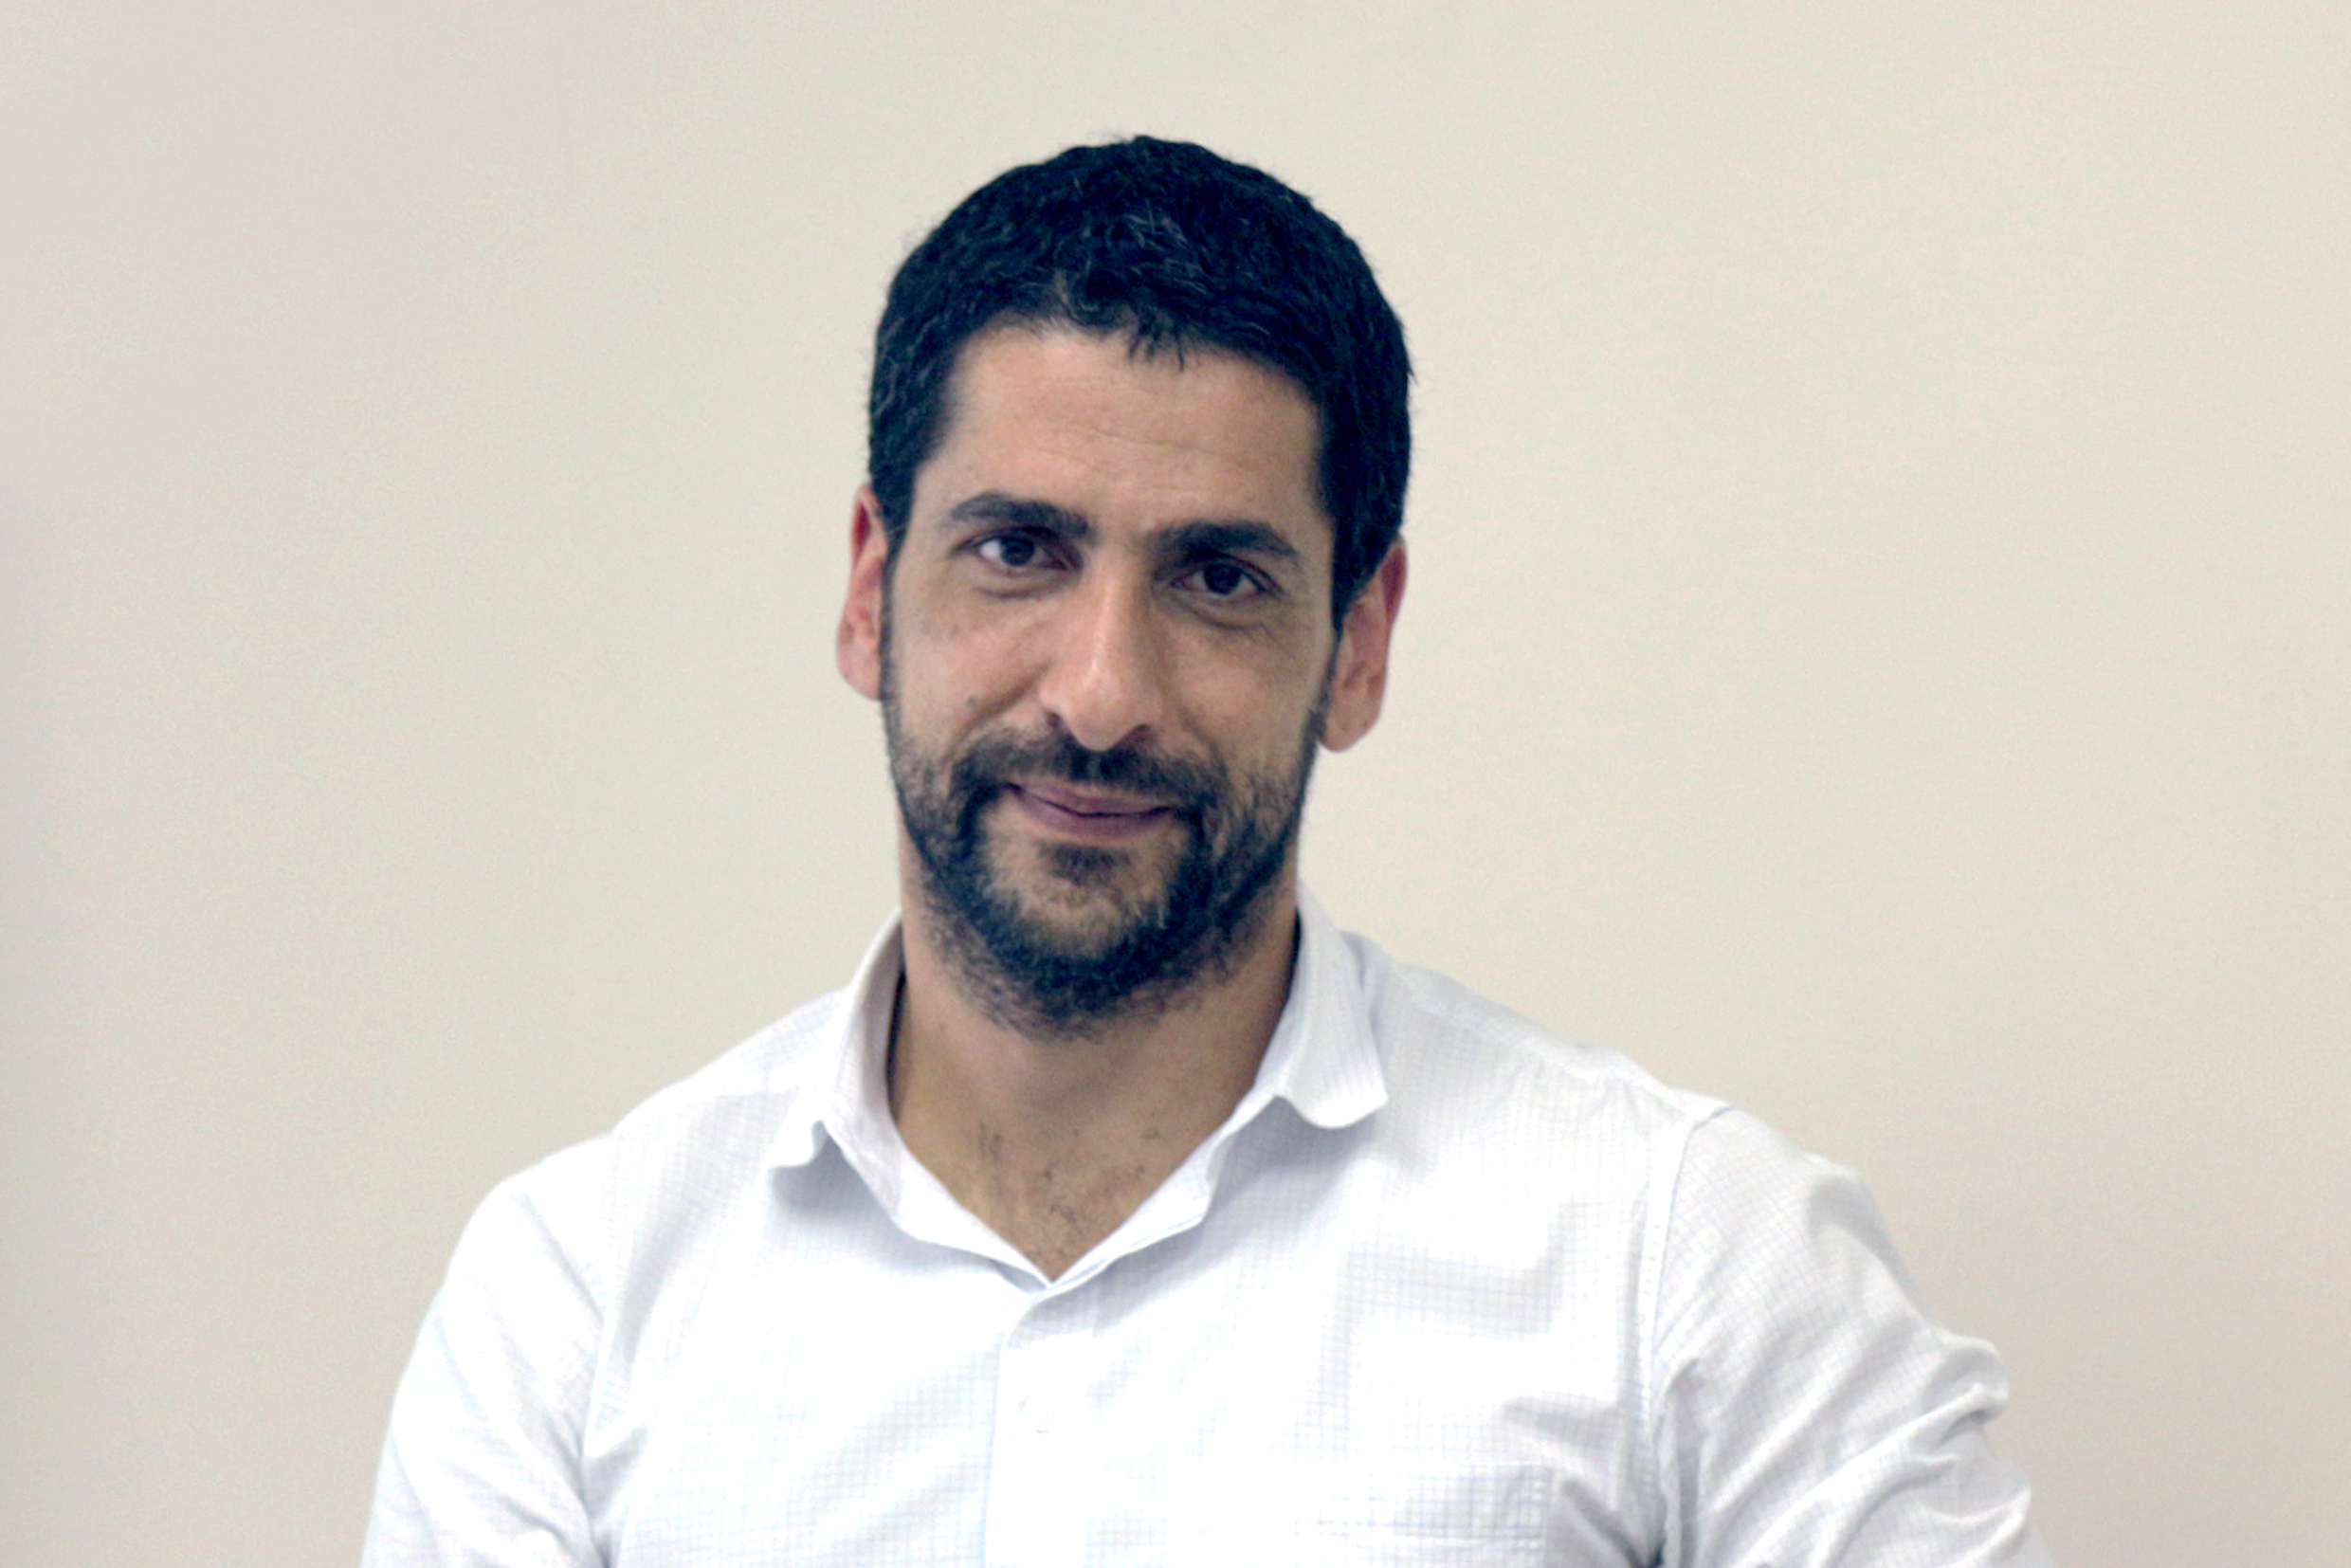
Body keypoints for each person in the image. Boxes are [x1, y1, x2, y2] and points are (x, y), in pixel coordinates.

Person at [362, 137, 2050, 1567]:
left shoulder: (1684, 1263)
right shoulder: (577, 1299)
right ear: (871, 589)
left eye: (1219, 578)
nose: (1101, 695)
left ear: (1361, 642)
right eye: (1019, 550)